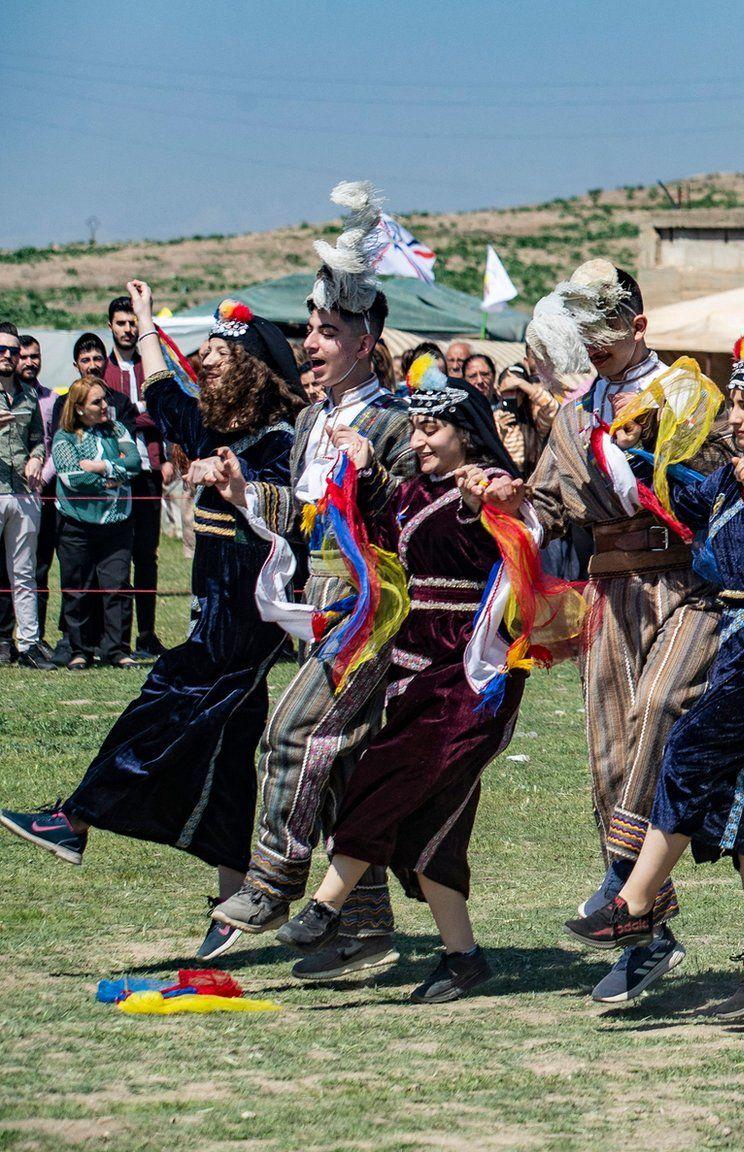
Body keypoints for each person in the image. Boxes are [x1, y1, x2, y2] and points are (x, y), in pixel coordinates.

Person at [0, 283, 301, 959]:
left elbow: (299, 514)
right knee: (227, 750)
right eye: (209, 353)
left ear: (254, 368)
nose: (209, 362)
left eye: (222, 355)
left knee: (167, 696)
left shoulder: (281, 440)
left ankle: (74, 817)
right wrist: (144, 325)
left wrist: (239, 488)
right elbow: (164, 391)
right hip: (212, 609)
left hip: (249, 618)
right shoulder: (211, 425)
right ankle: (238, 898)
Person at [566, 338, 744, 1017]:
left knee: (691, 747)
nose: (736, 418)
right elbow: (694, 505)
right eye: (735, 407)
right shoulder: (734, 470)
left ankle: (633, 904)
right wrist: (643, 455)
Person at [208, 183, 422, 986]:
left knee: (294, 735)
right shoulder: (308, 422)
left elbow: (422, 515)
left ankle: (271, 882)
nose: (310, 343)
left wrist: (377, 482)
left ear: (367, 343)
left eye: (328, 332)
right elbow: (302, 519)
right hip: (320, 604)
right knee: (335, 765)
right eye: (310, 330)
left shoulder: (395, 423)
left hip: (377, 610)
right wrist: (240, 491)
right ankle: (364, 930)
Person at [271, 378, 530, 1004]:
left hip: (469, 674)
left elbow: (514, 514)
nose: (417, 441)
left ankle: (326, 905)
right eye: (413, 429)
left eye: (430, 430)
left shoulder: (482, 486)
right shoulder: (415, 486)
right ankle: (463, 959)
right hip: (412, 664)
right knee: (432, 823)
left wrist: (493, 497)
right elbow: (381, 514)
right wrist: (361, 466)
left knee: (386, 774)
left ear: (464, 433)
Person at [525, 257, 728, 1004]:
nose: (597, 344)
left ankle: (620, 880)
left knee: (660, 707)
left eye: (608, 330)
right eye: (585, 332)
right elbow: (547, 504)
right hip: (608, 591)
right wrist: (510, 500)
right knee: (610, 754)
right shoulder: (574, 411)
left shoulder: (685, 392)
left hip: (685, 583)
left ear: (639, 325)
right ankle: (646, 938)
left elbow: (714, 481)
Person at [51, 381, 144, 670]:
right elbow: (71, 478)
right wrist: (113, 478)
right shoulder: (64, 438)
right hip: (76, 524)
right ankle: (81, 649)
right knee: (78, 587)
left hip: (116, 523)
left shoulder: (117, 430)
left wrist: (101, 467)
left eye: (104, 400)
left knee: (116, 585)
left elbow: (134, 463)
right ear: (79, 408)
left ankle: (117, 649)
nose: (105, 406)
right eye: (96, 402)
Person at [105, 294, 166, 660]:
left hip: (149, 472)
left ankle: (147, 634)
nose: (128, 330)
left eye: (132, 323)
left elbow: (162, 411)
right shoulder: (105, 371)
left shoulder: (151, 366)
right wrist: (139, 413)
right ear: (110, 325)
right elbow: (113, 417)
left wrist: (137, 415)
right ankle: (116, 639)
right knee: (117, 554)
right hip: (116, 475)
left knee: (147, 555)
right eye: (121, 324)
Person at [0, 323, 55, 668]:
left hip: (22, 492)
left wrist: (37, 457)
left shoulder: (29, 395)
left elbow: (38, 437)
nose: (7, 356)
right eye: (1, 349)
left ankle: (29, 644)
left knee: (24, 573)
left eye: (13, 350)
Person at [491, 362, 559, 476]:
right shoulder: (493, 418)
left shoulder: (532, 420)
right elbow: (490, 455)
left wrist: (520, 383)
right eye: (509, 390)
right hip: (504, 481)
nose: (514, 395)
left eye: (519, 391)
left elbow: (552, 407)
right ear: (498, 390)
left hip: (530, 481)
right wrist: (500, 434)